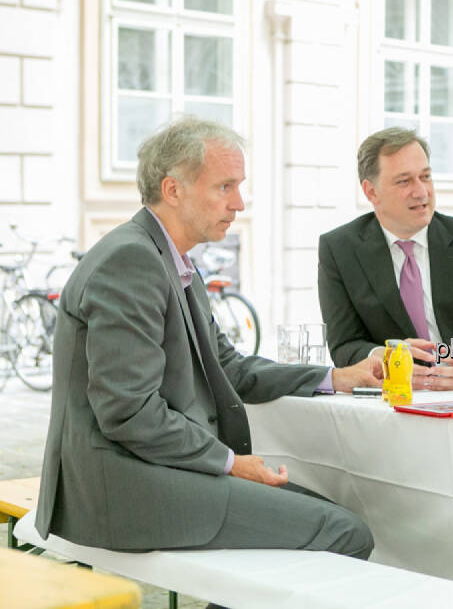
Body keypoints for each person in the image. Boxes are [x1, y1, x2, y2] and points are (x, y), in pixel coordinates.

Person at [35, 116, 378, 562]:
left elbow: (230, 367)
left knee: (332, 515)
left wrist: (336, 377)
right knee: (345, 532)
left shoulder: (172, 260)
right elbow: (129, 411)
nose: (238, 203)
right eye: (224, 187)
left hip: (143, 470)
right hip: (117, 489)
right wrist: (231, 463)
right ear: (173, 189)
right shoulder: (131, 262)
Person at [318, 127, 453, 392]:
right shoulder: (340, 249)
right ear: (371, 192)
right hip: (397, 402)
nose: (421, 192)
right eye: (404, 181)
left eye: (426, 177)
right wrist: (388, 359)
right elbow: (344, 344)